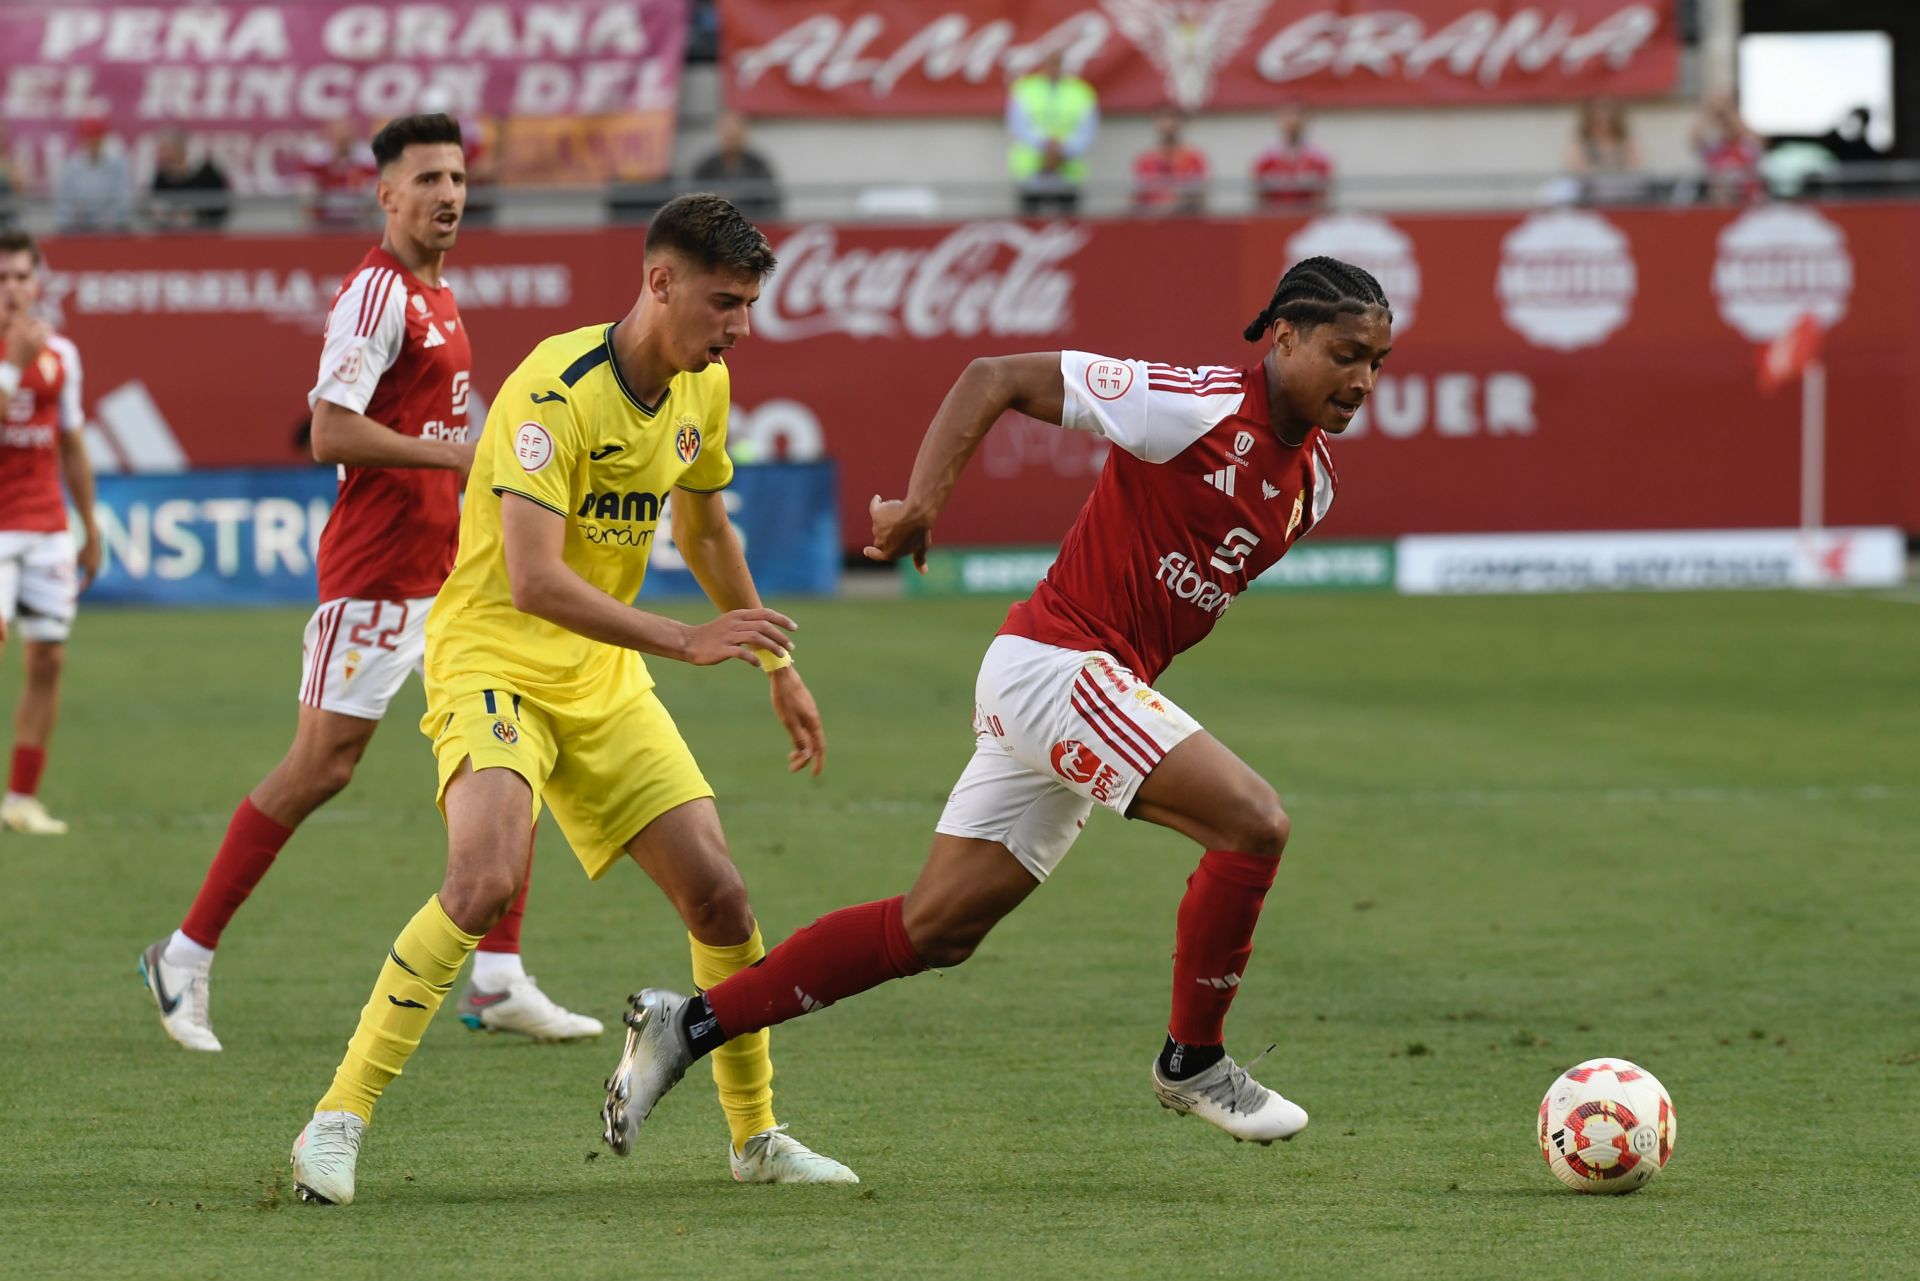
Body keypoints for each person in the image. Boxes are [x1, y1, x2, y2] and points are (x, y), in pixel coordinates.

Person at [598, 257, 1394, 1164]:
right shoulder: (1194, 403)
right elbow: (996, 378)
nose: (1363, 379)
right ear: (1283, 336)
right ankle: (1194, 1058)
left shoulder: (1313, 485)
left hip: (1080, 682)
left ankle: (685, 1025)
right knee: (1254, 823)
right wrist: (922, 504)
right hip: (1058, 665)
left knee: (934, 928)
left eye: (1378, 360)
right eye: (1345, 353)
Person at [287, 191, 857, 1206]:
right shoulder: (556, 389)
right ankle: (338, 1118)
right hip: (494, 658)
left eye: (749, 306)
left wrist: (779, 663)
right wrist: (687, 638)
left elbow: (706, 531)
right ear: (659, 282)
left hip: (602, 678)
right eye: (724, 302)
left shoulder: (704, 387)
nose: (739, 326)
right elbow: (535, 581)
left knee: (722, 894)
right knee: (485, 878)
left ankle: (756, 1136)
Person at [138, 114, 599, 1054]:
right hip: (376, 574)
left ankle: (501, 975)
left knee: (519, 733)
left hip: (451, 575)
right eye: (427, 178)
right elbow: (330, 430)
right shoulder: (376, 294)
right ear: (385, 194)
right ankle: (181, 953)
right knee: (322, 765)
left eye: (459, 178)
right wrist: (453, 453)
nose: (448, 195)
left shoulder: (442, 290)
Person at [0, 231, 100, 835]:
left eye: (20, 277)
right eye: (1, 279)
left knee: (48, 660)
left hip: (45, 528)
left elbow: (70, 441)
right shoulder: (16, 354)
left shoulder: (61, 352)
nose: (11, 289)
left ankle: (21, 799)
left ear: (38, 284)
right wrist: (12, 363)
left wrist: (90, 525)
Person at [1007, 51, 1099, 216]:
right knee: (1030, 225)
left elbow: (1087, 129)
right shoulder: (1025, 89)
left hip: (1068, 171)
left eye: (1057, 64)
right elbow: (1018, 127)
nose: (1054, 69)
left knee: (1069, 228)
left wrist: (1063, 149)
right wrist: (1047, 145)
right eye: (1050, 64)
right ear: (1043, 65)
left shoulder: (1081, 91)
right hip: (1031, 172)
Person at [690, 113, 781, 222]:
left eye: (735, 136)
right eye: (728, 136)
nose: (731, 141)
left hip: (752, 225)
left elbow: (771, 199)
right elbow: (692, 197)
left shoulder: (758, 165)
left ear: (744, 135)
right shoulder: (706, 166)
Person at [54, 118, 133, 233]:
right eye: (89, 139)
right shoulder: (72, 166)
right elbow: (63, 200)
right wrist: (73, 216)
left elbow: (124, 197)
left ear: (103, 140)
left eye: (96, 140)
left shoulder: (118, 165)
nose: (93, 144)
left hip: (111, 228)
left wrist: (112, 217)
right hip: (78, 228)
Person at [147, 130, 232, 231]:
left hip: (204, 234)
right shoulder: (161, 175)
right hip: (170, 236)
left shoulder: (206, 171)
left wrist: (195, 214)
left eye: (165, 149)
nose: (161, 154)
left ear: (179, 148)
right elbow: (154, 202)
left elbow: (221, 204)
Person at [1251, 105, 1332, 211]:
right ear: (1279, 119)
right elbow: (1259, 199)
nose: (1293, 121)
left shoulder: (1319, 159)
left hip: (1307, 221)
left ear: (1306, 120)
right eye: (1288, 115)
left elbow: (1322, 199)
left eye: (1298, 115)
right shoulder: (1265, 159)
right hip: (1275, 220)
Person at [301, 118, 378, 228]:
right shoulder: (316, 157)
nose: (341, 143)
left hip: (358, 218)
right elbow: (305, 188)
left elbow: (375, 188)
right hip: (324, 218)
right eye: (337, 138)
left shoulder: (366, 157)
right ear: (329, 137)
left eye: (345, 139)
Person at [1565, 98, 1643, 205]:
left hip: (1622, 190)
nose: (1603, 117)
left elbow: (1635, 167)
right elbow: (1578, 169)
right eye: (1597, 112)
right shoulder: (1580, 143)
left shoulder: (1626, 142)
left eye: (1607, 111)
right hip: (1591, 192)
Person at [1692, 91, 1765, 203]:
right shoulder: (1713, 148)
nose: (1725, 123)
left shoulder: (1747, 145)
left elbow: (1759, 140)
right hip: (1720, 204)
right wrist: (1709, 111)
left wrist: (1728, 109)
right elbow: (1695, 138)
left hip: (1749, 204)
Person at [1132, 111, 1209, 215]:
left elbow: (1200, 197)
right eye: (1164, 118)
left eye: (1173, 118)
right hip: (1151, 222)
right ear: (1156, 123)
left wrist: (1173, 208)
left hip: (1184, 221)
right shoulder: (1144, 161)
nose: (1169, 124)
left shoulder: (1194, 159)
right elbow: (1135, 198)